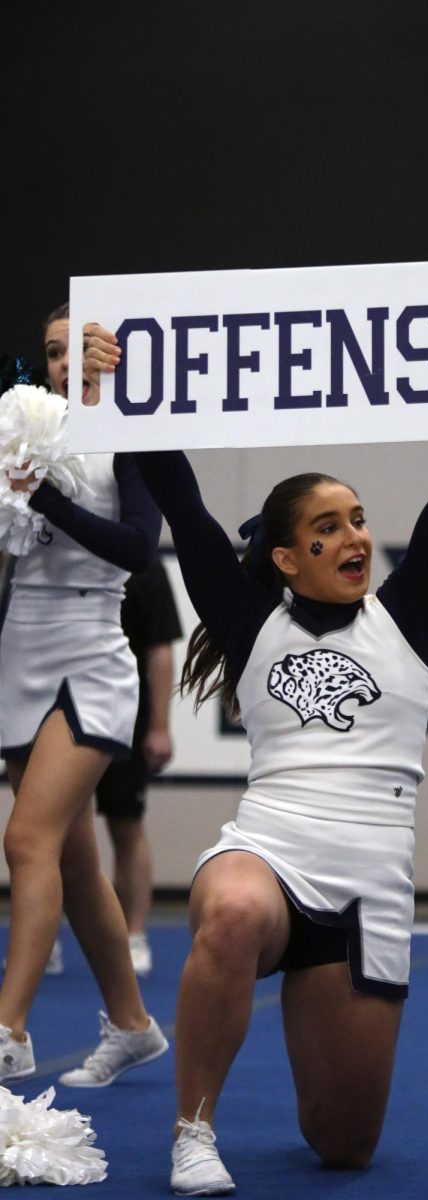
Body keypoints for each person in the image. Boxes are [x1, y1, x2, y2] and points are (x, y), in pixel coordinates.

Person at [85, 308, 428, 1196]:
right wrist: (124, 383)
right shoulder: (254, 625)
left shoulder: (406, 619)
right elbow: (180, 496)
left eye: (361, 519)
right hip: (272, 852)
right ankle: (193, 1132)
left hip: (369, 893)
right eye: (329, 527)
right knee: (234, 915)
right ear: (288, 558)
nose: (357, 537)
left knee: (344, 1146)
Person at [0, 304, 169, 1087]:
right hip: (18, 653)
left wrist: (47, 502)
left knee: (25, 841)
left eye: (80, 348)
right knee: (71, 860)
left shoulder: (130, 441)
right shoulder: (19, 435)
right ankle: (132, 1026)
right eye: (52, 352)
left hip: (93, 655)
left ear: (112, 356)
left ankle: (9, 1030)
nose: (65, 362)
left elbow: (137, 548)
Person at [95, 555, 183, 976]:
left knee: (126, 825)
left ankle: (134, 935)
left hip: (124, 718)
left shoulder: (142, 562)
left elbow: (160, 649)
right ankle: (46, 936)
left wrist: (160, 726)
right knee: (50, 834)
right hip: (58, 711)